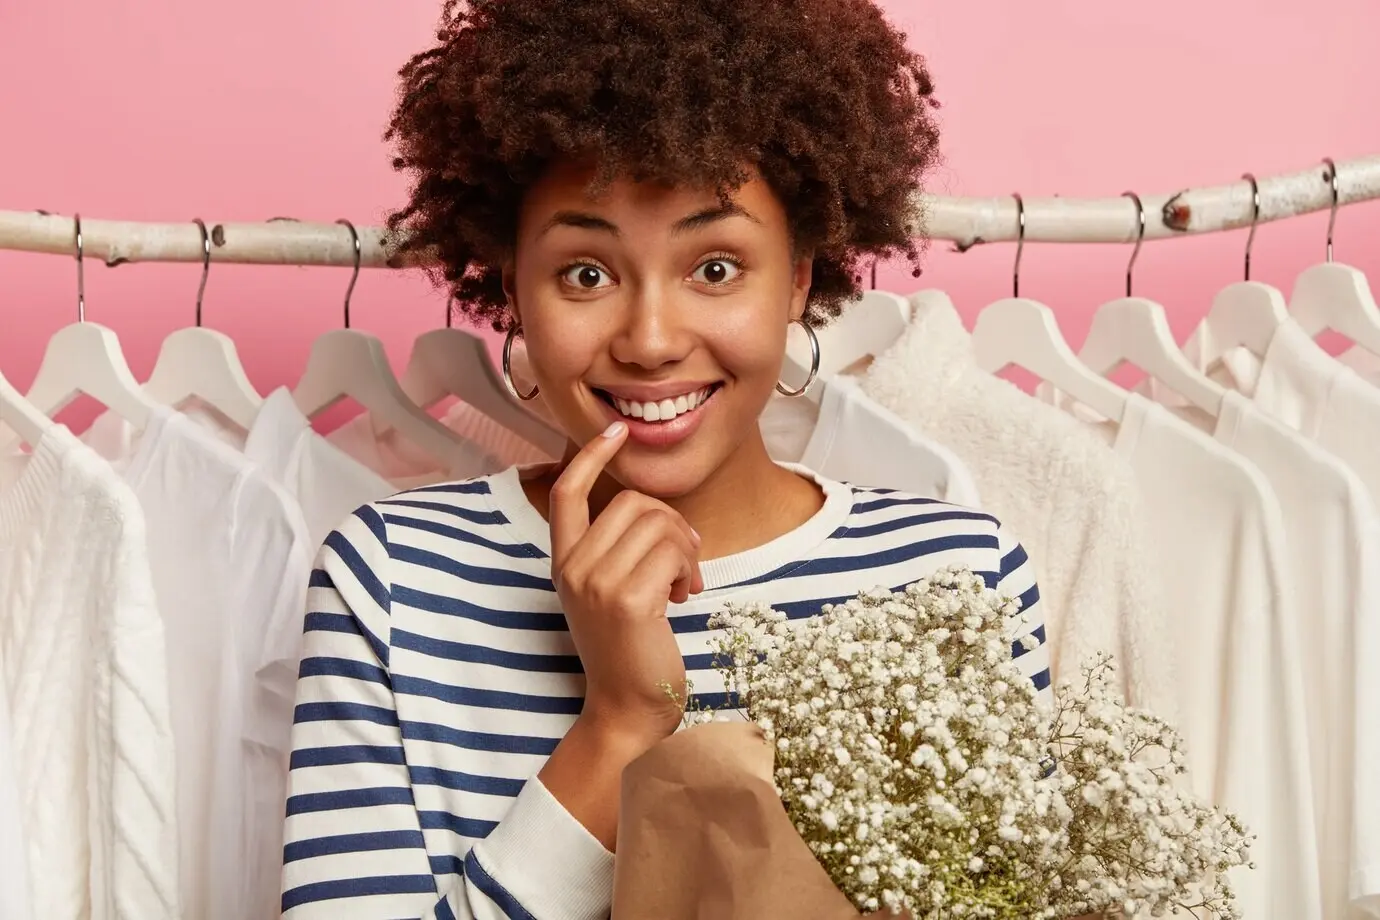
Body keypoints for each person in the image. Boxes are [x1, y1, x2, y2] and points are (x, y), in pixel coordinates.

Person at [279, 1, 1052, 917]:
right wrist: (617, 725)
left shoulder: (959, 577)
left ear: (799, 275)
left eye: (715, 267)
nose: (649, 341)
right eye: (586, 273)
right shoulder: (392, 580)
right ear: (510, 285)